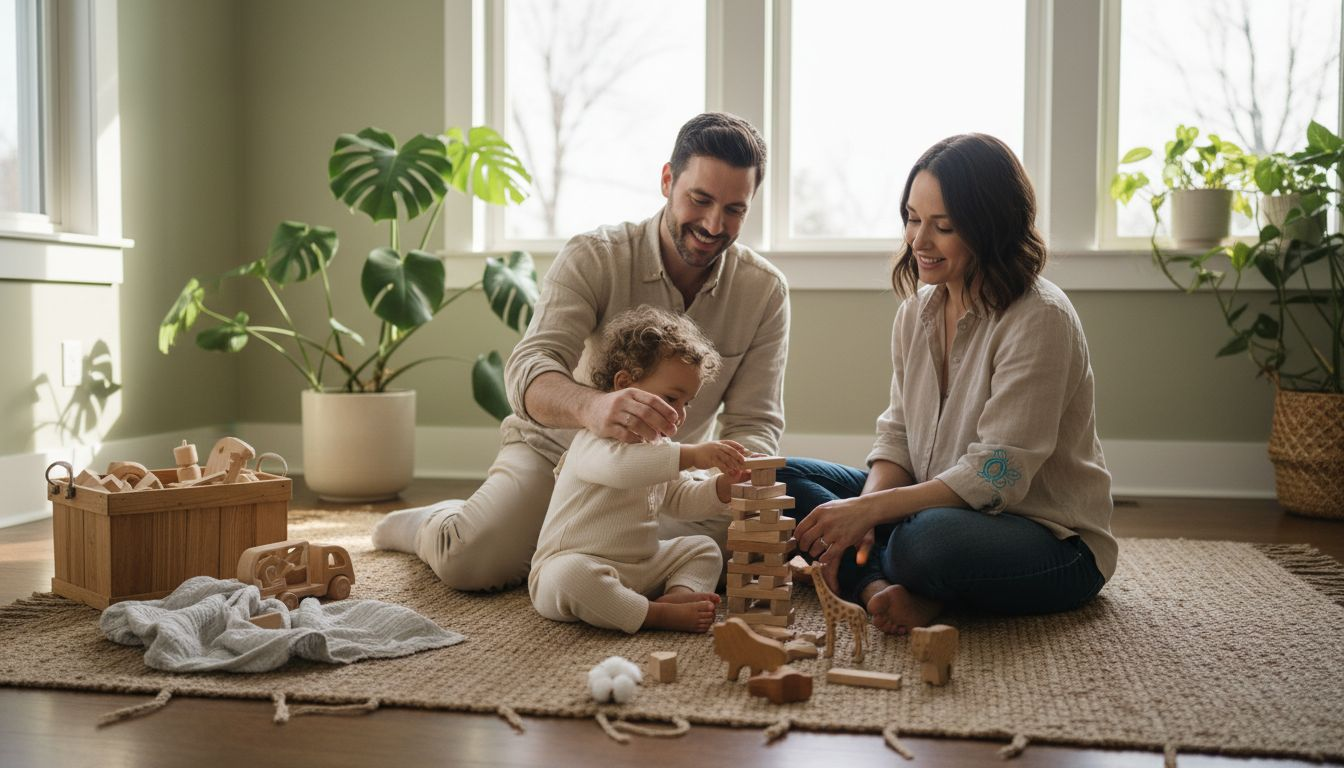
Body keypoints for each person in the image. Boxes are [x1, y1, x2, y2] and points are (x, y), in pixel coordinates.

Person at [372, 112, 790, 591]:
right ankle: (437, 523)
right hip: (555, 451)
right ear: (667, 180)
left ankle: (564, 546)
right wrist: (594, 408)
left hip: (662, 477)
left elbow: (755, 423)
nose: (714, 224)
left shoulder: (764, 291)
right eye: (700, 200)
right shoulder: (595, 255)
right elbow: (529, 369)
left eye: (735, 209)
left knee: (724, 551)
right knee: (472, 561)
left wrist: (735, 480)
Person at [786, 133, 1117, 635]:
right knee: (779, 481)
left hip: (1049, 538)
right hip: (929, 503)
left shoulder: (1040, 318)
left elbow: (994, 478)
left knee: (926, 545)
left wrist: (868, 513)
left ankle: (890, 583)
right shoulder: (915, 312)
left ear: (992, 227)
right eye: (912, 219)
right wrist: (864, 515)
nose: (919, 241)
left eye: (943, 226)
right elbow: (896, 436)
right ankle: (884, 591)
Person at [530, 306, 750, 633]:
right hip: (578, 563)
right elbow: (621, 469)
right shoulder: (594, 440)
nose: (680, 413)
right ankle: (653, 615)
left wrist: (722, 489)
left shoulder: (658, 449)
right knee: (567, 576)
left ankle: (678, 595)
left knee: (702, 548)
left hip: (640, 568)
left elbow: (681, 500)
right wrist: (692, 456)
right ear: (623, 385)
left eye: (686, 403)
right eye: (671, 398)